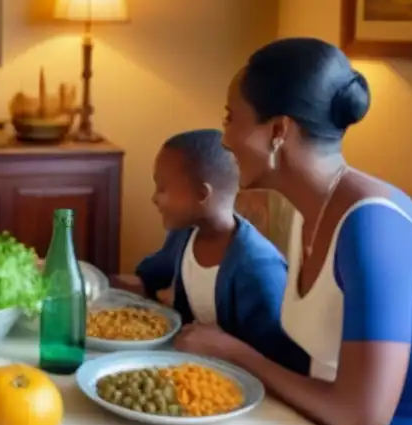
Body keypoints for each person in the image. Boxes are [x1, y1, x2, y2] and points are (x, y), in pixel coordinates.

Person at [175, 37, 412, 425]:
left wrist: (239, 354)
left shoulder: (373, 230)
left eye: (232, 118)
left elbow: (362, 415)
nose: (225, 136)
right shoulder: (311, 212)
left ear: (278, 131)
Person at [128, 129, 309, 373]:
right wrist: (94, 282)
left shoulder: (257, 267)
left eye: (162, 188)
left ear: (202, 194)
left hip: (243, 387)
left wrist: (224, 347)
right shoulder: (185, 235)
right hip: (190, 370)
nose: (154, 198)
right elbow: (149, 277)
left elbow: (279, 360)